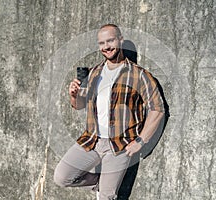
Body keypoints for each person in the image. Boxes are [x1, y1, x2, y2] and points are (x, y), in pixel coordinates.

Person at [54, 24, 166, 200]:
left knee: (106, 197)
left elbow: (157, 109)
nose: (106, 47)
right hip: (92, 139)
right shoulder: (93, 73)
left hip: (119, 145)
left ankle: (106, 187)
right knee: (62, 176)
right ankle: (102, 182)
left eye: (110, 41)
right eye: (102, 43)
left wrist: (140, 141)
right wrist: (74, 95)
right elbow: (79, 105)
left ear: (120, 40)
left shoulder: (139, 75)